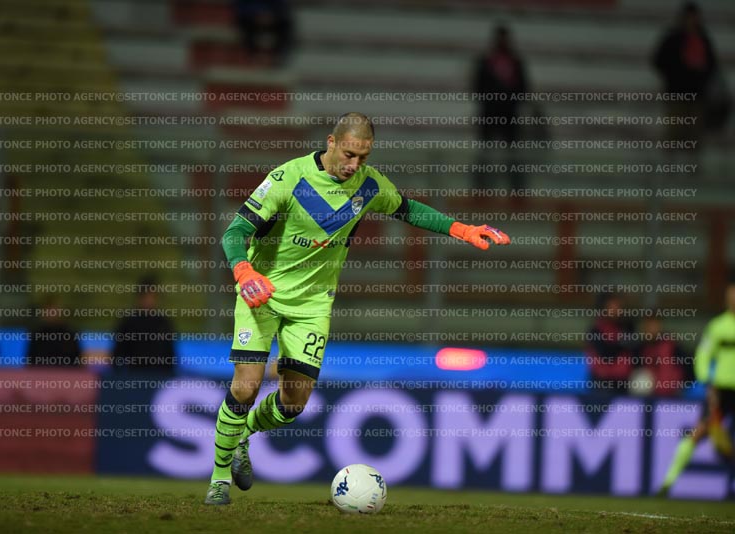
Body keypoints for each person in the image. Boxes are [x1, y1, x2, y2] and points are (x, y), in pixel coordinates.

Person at [205, 112, 511, 505]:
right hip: (261, 293)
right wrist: (243, 270)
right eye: (349, 154)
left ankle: (241, 434)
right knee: (246, 386)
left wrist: (462, 229)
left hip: (312, 305)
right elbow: (235, 231)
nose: (355, 164)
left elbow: (408, 209)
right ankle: (219, 479)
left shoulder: (369, 186)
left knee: (293, 403)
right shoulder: (288, 178)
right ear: (331, 142)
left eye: (363, 157)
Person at [658, 282, 735, 496]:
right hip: (721, 390)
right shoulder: (717, 326)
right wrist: (707, 382)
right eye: (731, 296)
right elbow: (703, 355)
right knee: (698, 432)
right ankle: (668, 482)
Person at [652, 2, 719, 150]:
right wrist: (675, 74)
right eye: (690, 17)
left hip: (697, 94)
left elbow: (712, 64)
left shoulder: (703, 39)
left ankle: (690, 162)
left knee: (694, 134)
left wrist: (701, 77)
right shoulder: (673, 38)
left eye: (694, 17)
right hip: (676, 93)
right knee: (674, 133)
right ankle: (671, 162)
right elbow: (658, 61)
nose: (692, 21)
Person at [471, 24, 529, 192]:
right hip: (489, 113)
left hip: (509, 114)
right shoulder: (486, 62)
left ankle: (516, 190)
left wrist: (509, 102)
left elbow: (523, 88)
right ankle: (480, 188)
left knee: (513, 153)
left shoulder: (516, 62)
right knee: (485, 152)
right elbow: (478, 87)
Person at [111, 275, 176, 375]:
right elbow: (118, 354)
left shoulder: (163, 323)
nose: (148, 300)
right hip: (134, 375)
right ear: (139, 297)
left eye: (152, 296)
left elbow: (170, 355)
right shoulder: (128, 322)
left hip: (158, 376)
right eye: (145, 296)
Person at [585, 293, 636, 394]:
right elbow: (605, 354)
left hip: (623, 383)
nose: (615, 309)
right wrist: (621, 344)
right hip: (601, 383)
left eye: (618, 306)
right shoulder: (596, 330)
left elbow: (634, 350)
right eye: (612, 306)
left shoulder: (627, 327)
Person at [630, 315, 692, 397]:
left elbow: (687, 367)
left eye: (654, 325)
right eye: (649, 325)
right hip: (649, 394)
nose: (652, 329)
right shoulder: (639, 348)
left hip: (674, 392)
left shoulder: (671, 345)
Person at [27, 295, 82, 367]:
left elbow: (77, 362)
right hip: (41, 372)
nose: (51, 314)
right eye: (48, 310)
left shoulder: (71, 334)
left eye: (54, 310)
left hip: (66, 372)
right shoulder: (36, 334)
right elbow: (31, 362)